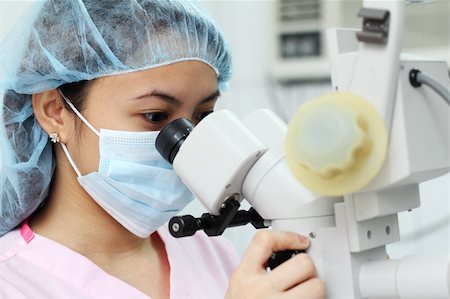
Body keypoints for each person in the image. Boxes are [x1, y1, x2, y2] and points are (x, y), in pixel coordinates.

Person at [0, 1, 325, 298]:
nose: (186, 143)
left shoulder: (207, 251)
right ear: (54, 112)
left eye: (202, 117)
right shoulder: (12, 282)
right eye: (155, 116)